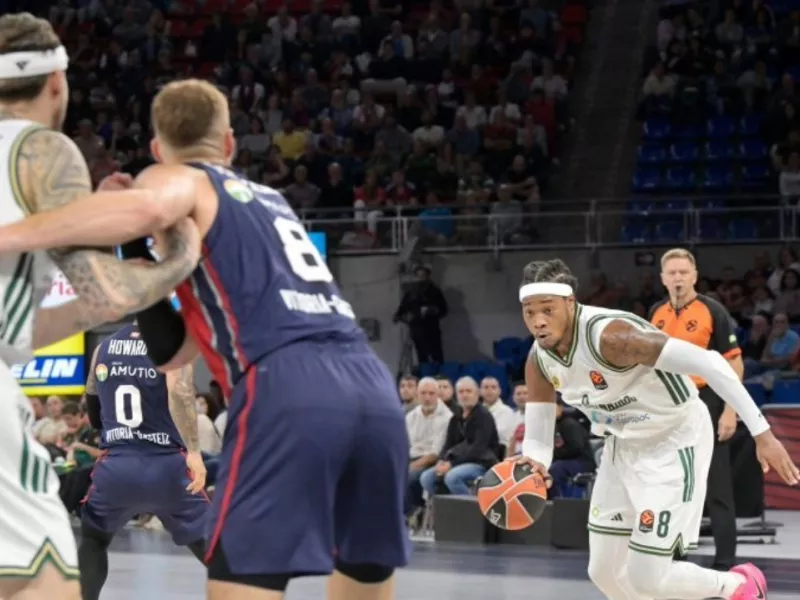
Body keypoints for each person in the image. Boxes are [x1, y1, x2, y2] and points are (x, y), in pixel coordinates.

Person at [111, 79, 409, 600]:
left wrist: (124, 222)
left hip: (289, 382)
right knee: (364, 567)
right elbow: (174, 351)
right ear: (229, 142)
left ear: (158, 150)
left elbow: (148, 206)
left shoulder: (183, 181)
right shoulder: (272, 204)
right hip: (372, 384)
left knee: (244, 574)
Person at [0, 13, 200, 600]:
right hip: (154, 460)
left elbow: (27, 327)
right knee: (46, 583)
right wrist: (179, 255)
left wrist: (89, 214)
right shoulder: (40, 147)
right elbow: (109, 293)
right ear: (56, 81)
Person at [514, 258, 798, 600]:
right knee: (603, 572)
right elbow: (538, 434)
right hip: (622, 446)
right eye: (530, 312)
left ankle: (739, 586)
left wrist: (762, 433)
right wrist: (535, 463)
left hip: (674, 440)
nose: (538, 321)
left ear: (570, 304)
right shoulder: (539, 359)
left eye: (548, 310)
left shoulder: (614, 337)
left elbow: (711, 363)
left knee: (648, 577)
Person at [78, 323, 209, 600]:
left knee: (93, 539)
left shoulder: (103, 348)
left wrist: (110, 432)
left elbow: (93, 408)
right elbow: (180, 392)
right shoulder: (172, 343)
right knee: (211, 542)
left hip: (117, 467)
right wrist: (195, 452)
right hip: (167, 465)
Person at [650, 248, 743, 569]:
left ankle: (726, 562)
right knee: (675, 484)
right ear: (663, 278)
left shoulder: (712, 310)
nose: (678, 278)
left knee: (716, 485)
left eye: (683, 272)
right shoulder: (656, 313)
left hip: (707, 402)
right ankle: (674, 558)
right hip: (668, 406)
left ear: (694, 276)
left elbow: (735, 364)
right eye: (672, 273)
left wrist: (730, 410)